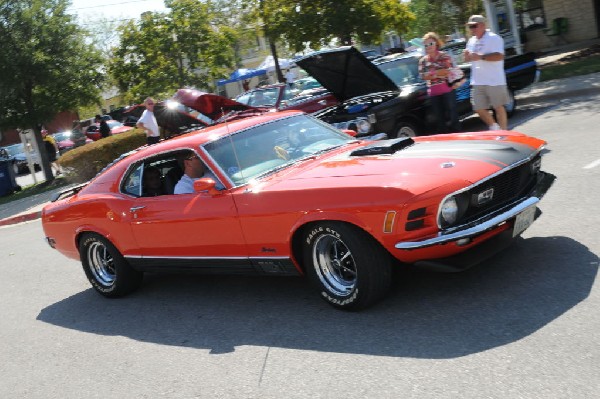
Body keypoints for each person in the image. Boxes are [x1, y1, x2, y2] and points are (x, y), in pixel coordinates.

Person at [463, 14, 510, 131]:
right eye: (470, 27)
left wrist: (481, 57)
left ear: (483, 25)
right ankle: (494, 127)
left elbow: (499, 56)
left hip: (494, 80)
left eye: (474, 26)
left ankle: (504, 133)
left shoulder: (494, 38)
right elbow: (469, 59)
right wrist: (466, 57)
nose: (472, 29)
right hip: (478, 80)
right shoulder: (471, 41)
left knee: (498, 107)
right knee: (478, 107)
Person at [418, 32, 461, 133]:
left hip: (448, 91)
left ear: (436, 43)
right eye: (426, 45)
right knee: (440, 119)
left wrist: (432, 73)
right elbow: (423, 76)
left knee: (452, 116)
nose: (429, 46)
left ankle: (457, 136)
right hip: (434, 93)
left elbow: (447, 71)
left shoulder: (444, 56)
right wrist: (438, 73)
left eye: (431, 43)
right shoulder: (423, 61)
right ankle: (446, 140)